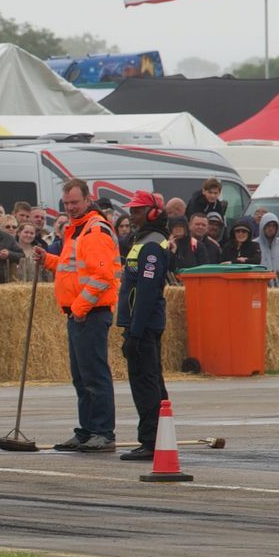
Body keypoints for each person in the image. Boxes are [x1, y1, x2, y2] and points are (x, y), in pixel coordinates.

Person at [36, 179, 121, 453]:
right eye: (67, 203)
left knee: (94, 375)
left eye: (75, 202)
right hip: (78, 313)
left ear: (87, 200)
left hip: (90, 314)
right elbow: (70, 268)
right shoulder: (76, 230)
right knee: (81, 377)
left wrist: (80, 308)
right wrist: (47, 260)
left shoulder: (95, 230)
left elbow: (102, 276)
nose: (70, 208)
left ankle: (103, 432)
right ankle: (86, 430)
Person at [115, 192, 172, 462]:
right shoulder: (145, 240)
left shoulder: (151, 244)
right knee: (151, 381)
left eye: (137, 211)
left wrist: (135, 332)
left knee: (145, 382)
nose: (132, 215)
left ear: (151, 213)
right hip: (142, 324)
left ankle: (151, 440)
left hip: (144, 326)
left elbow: (147, 292)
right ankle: (159, 437)